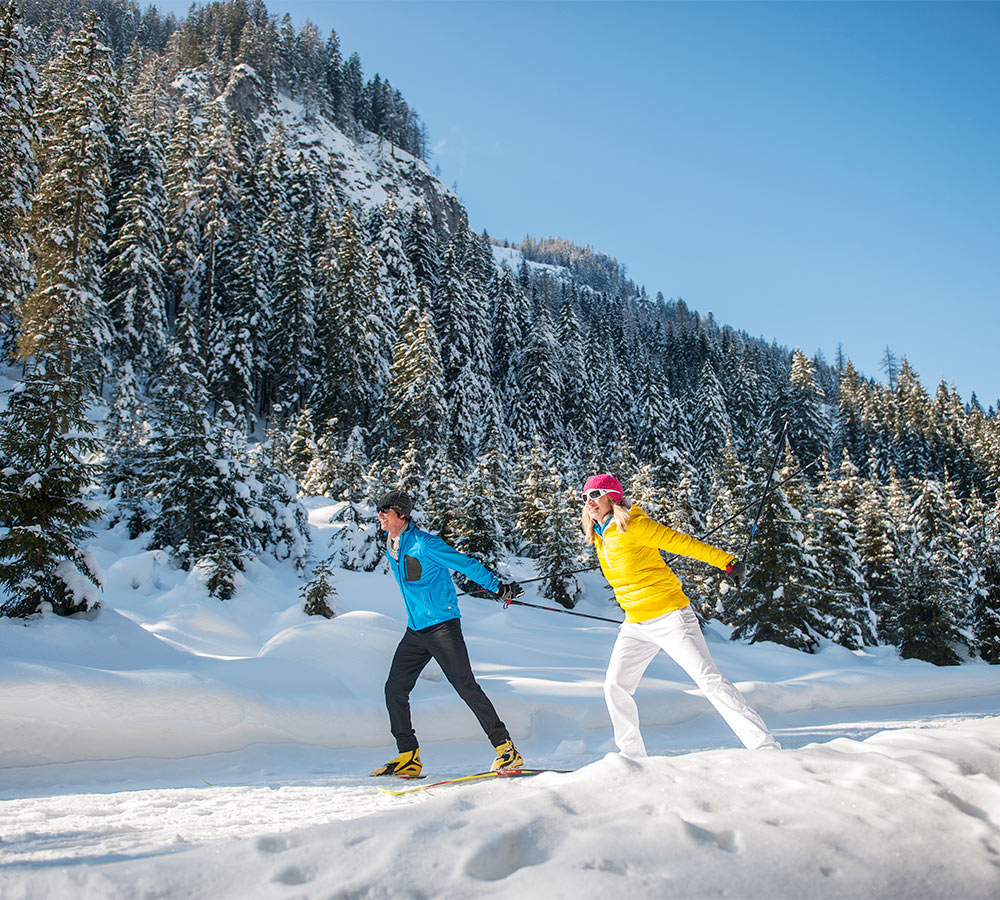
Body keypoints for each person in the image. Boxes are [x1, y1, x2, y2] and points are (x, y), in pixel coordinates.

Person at [581, 473, 780, 758]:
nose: (589, 502)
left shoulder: (635, 526)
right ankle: (631, 756)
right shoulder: (601, 534)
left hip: (670, 616)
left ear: (612, 496)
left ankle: (765, 746)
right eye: (585, 496)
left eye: (596, 494)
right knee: (615, 686)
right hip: (636, 622)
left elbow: (682, 543)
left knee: (708, 679)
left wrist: (727, 561)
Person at [371, 488, 526, 777]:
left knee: (465, 686)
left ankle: (506, 749)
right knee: (394, 688)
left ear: (402, 515)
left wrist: (498, 588)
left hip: (442, 627)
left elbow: (464, 563)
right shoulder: (391, 542)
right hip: (416, 629)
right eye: (378, 508)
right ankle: (408, 756)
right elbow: (417, 581)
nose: (379, 514)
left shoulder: (425, 544)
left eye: (385, 509)